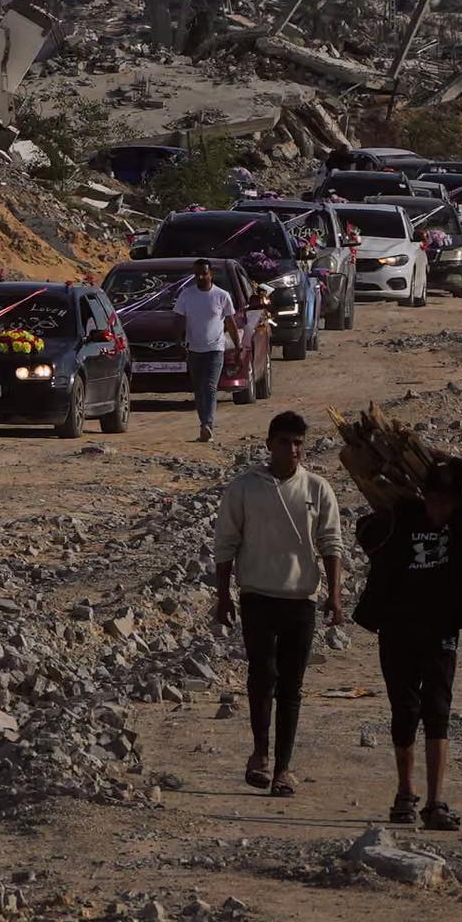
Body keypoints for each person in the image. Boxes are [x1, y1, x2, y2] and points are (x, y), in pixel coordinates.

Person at [351, 455, 462, 832]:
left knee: (438, 710)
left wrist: (437, 458)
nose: (440, 510)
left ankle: (435, 802)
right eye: (435, 501)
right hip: (397, 629)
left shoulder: (460, 524)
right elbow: (368, 532)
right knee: (404, 711)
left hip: (441, 629)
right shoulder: (401, 517)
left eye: (447, 502)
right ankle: (404, 793)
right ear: (424, 497)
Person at [209, 411, 346, 798]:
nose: (292, 450)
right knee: (261, 676)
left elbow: (331, 543)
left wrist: (335, 596)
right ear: (269, 444)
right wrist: (224, 596)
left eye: (298, 443)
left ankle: (284, 767)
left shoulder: (317, 489)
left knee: (291, 685)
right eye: (284, 442)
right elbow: (226, 544)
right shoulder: (245, 488)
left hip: (300, 600)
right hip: (257, 596)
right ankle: (260, 754)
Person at [173, 259, 241, 442]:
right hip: (194, 349)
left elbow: (230, 323)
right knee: (199, 388)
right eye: (197, 274)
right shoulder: (186, 295)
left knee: (210, 387)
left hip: (215, 349)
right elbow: (179, 320)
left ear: (211, 274)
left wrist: (238, 345)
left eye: (204, 273)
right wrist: (178, 341)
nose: (201, 277)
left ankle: (207, 425)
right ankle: (204, 422)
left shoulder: (221, 296)